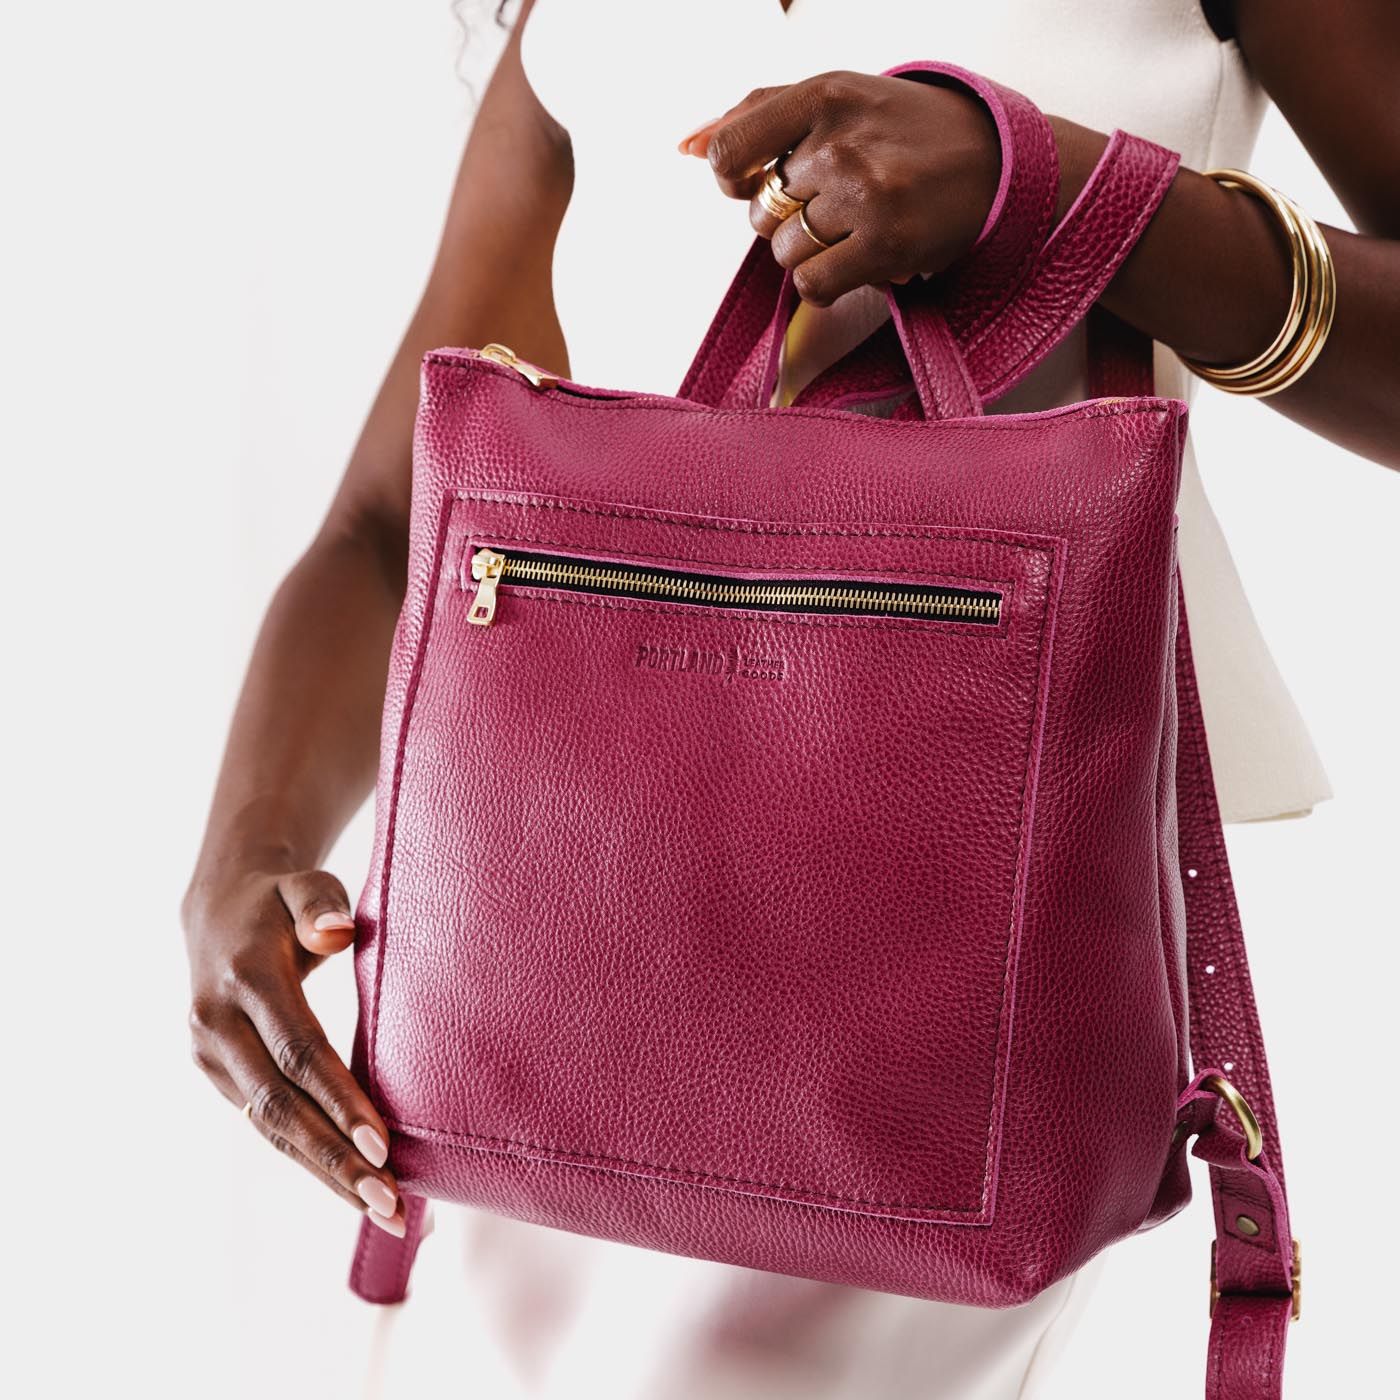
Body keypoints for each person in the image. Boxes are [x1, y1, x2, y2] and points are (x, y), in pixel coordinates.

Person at [183, 1, 1400, 1395]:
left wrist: (1060, 190)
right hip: (547, 921)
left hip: (946, 926)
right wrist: (245, 851)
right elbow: (403, 518)